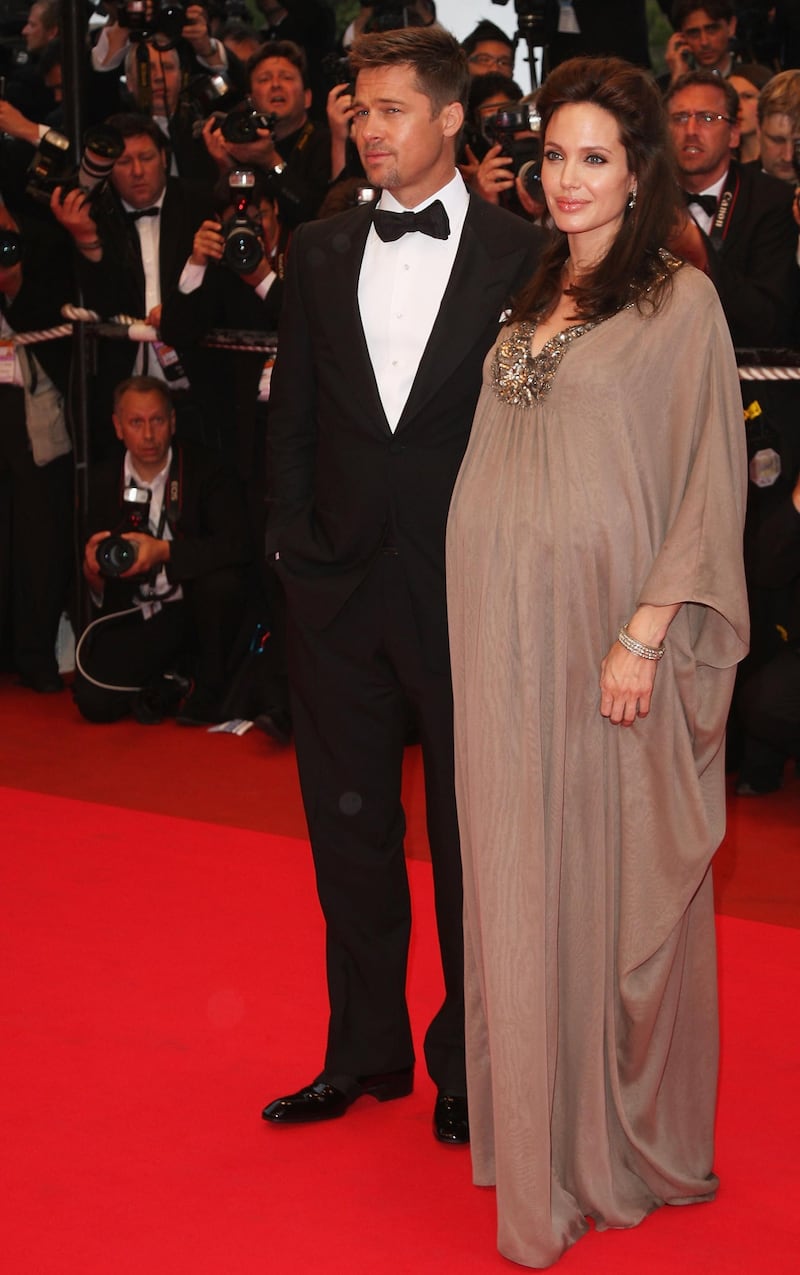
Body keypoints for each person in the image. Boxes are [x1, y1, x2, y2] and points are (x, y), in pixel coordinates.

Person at [445, 55, 750, 1267]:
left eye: (593, 158)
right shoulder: (532, 288)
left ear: (637, 173)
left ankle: (609, 1139)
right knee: (516, 871)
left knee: (606, 879)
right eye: (553, 156)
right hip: (497, 639)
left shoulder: (677, 302)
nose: (565, 180)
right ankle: (535, 1127)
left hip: (601, 645)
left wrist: (644, 628)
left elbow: (702, 484)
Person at [260, 25, 542, 1144]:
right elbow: (291, 416)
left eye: (387, 109)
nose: (366, 128)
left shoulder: (524, 252)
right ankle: (362, 1054)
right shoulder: (319, 248)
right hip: (334, 590)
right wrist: (288, 545)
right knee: (349, 834)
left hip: (468, 588)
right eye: (356, 110)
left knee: (475, 840)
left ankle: (468, 1065)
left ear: (448, 118)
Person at [75, 376, 252, 726]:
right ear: (117, 426)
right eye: (136, 423)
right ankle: (171, 680)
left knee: (221, 584)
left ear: (173, 421)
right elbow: (92, 582)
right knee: (94, 702)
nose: (148, 435)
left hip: (198, 610)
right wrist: (93, 573)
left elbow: (237, 546)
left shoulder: (207, 469)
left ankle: (206, 684)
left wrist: (164, 552)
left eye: (157, 420)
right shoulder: (100, 481)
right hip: (139, 611)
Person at [665, 69, 798, 348]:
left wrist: (698, 251)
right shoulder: (642, 199)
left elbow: (770, 322)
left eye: (707, 118)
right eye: (679, 118)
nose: (691, 130)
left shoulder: (772, 200)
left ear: (735, 133)